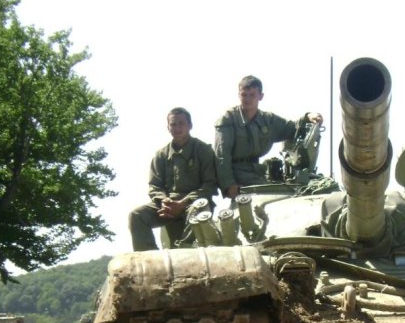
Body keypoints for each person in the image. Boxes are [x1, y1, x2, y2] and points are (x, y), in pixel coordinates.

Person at [214, 75, 323, 198]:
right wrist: (229, 185)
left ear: (261, 96)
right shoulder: (228, 120)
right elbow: (221, 156)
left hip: (257, 171)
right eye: (244, 95)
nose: (247, 99)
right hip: (236, 173)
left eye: (252, 95)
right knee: (275, 195)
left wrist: (308, 117)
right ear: (239, 95)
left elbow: (293, 128)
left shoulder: (268, 120)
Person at [129, 107, 218, 251]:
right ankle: (151, 258)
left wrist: (183, 203)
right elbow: (155, 186)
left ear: (190, 125)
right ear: (168, 127)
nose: (177, 128)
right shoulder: (161, 155)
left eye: (181, 123)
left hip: (193, 203)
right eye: (173, 124)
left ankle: (184, 250)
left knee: (199, 209)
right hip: (167, 206)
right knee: (137, 215)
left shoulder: (203, 150)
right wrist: (165, 201)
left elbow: (210, 185)